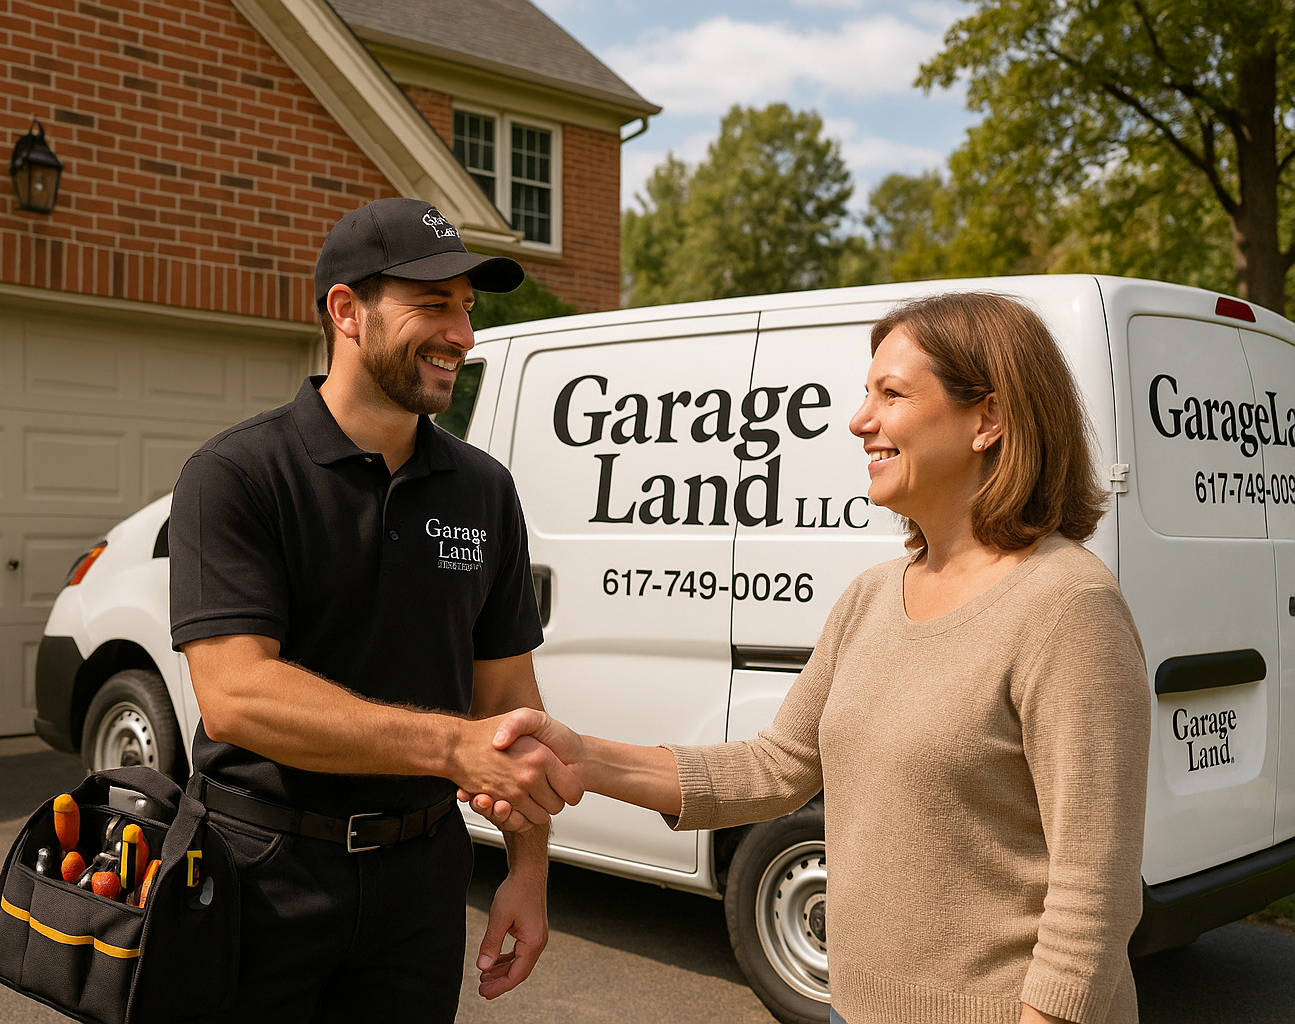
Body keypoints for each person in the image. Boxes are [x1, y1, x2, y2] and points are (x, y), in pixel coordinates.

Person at [471, 292, 1152, 1024]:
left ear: (988, 419)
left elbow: (1095, 891)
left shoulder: (1067, 605)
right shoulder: (871, 595)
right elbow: (777, 768)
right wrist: (585, 759)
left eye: (891, 395)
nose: (860, 421)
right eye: (867, 395)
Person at [169, 196, 582, 1022]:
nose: (462, 332)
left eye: (467, 307)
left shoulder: (484, 490)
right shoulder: (238, 474)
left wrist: (528, 872)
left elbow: (508, 705)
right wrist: (449, 745)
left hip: (421, 883)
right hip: (261, 873)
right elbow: (236, 695)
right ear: (347, 311)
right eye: (434, 304)